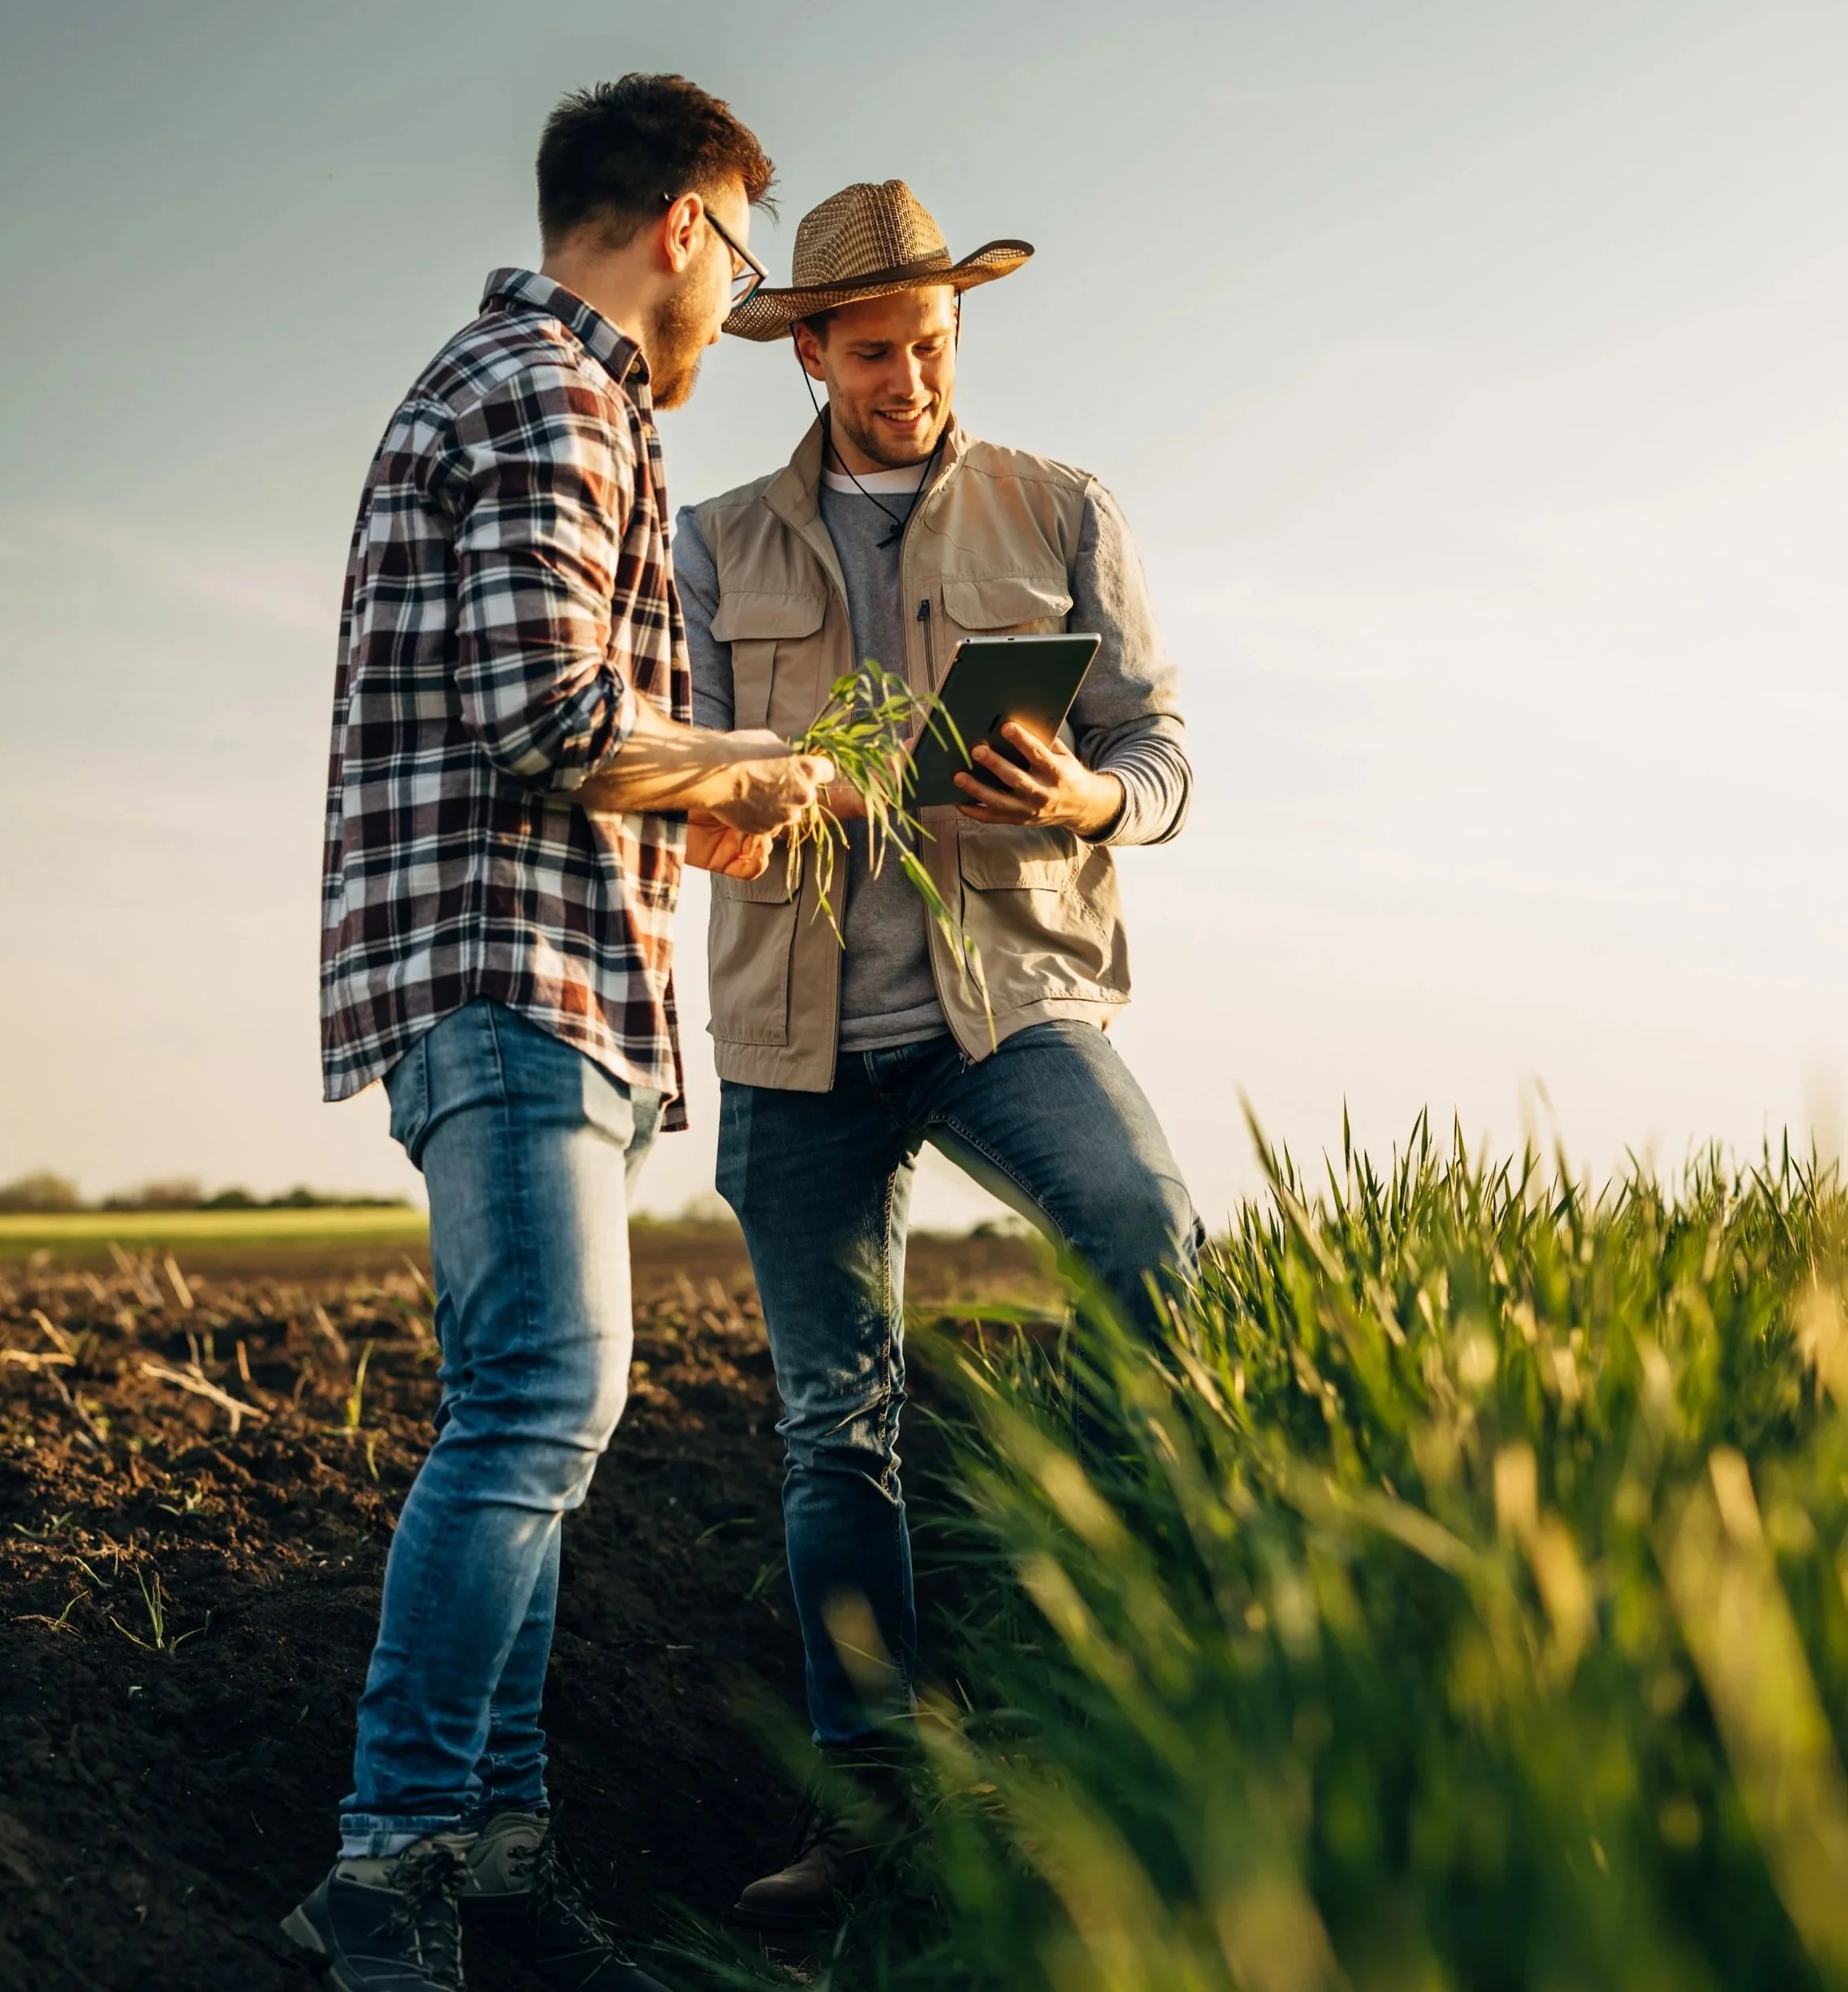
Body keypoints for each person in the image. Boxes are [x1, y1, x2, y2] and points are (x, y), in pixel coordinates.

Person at [288, 76, 832, 1992]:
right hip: (506, 975)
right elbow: (543, 718)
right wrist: (778, 758)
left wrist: (707, 799)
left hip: (548, 973)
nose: (735, 297)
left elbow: (581, 735)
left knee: (534, 1415)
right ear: (683, 218)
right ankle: (391, 1861)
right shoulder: (552, 387)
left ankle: (496, 1872)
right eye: (743, 248)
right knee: (536, 1405)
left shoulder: (546, 391)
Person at [673, 178, 1205, 1928]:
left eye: (932, 341)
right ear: (808, 349)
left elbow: (1159, 745)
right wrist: (715, 812)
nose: (909, 374)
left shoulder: (1060, 503)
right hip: (798, 1034)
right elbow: (665, 769)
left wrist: (1090, 796)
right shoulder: (711, 541)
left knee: (1145, 1236)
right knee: (838, 1426)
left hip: (1012, 1000)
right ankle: (875, 1812)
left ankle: (1133, 1710)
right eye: (875, 347)